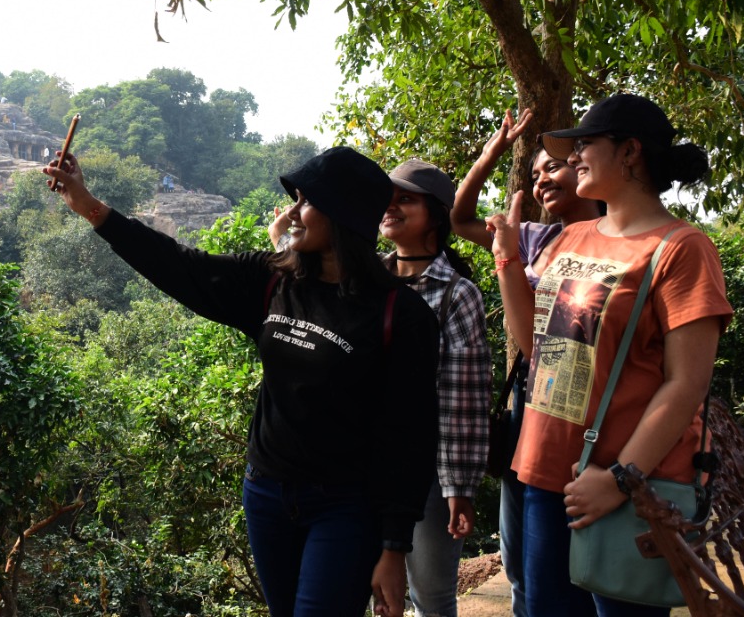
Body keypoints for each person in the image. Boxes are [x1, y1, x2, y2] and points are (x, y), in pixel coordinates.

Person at [46, 146, 440, 616]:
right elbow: (179, 265)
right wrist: (89, 206)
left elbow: (410, 437)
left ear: (343, 214)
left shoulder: (401, 314)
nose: (292, 213)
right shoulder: (273, 281)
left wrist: (394, 548)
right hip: (267, 495)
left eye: (306, 202)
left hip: (346, 507)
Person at [487, 94, 733, 617]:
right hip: (545, 468)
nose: (573, 157)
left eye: (585, 144)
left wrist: (622, 479)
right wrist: (507, 260)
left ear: (630, 151)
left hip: (625, 484)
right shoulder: (570, 238)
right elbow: (540, 352)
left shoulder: (682, 248)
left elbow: (687, 382)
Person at [450, 108, 604, 617]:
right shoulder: (536, 238)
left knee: (580, 546)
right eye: (535, 174)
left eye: (553, 167)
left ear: (585, 169)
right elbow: (460, 218)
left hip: (589, 398)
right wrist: (493, 152)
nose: (541, 181)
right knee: (522, 545)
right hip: (532, 394)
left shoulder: (619, 242)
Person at [381, 158, 492, 617]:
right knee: (368, 589)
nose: (390, 208)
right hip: (365, 462)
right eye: (387, 199)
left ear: (437, 215)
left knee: (429, 595)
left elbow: (462, 400)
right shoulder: (368, 280)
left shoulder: (457, 294)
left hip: (428, 471)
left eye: (405, 199)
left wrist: (458, 487)